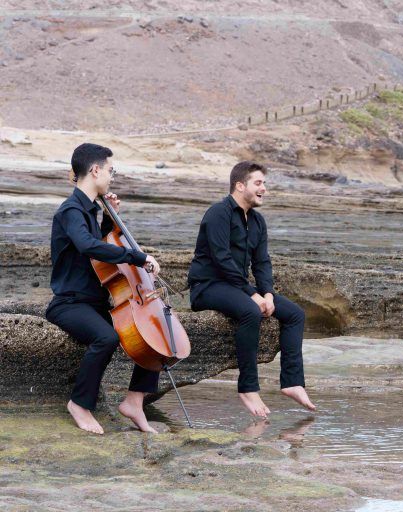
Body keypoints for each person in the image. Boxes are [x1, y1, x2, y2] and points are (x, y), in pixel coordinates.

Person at [46, 143, 162, 435]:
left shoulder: (90, 211)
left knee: (152, 333)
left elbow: (101, 243)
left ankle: (134, 401)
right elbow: (89, 247)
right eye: (111, 170)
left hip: (96, 303)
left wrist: (110, 219)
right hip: (69, 304)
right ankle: (79, 404)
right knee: (106, 337)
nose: (112, 177)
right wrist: (139, 256)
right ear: (95, 170)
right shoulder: (71, 211)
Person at [188, 161, 315, 418]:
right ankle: (247, 388)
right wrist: (252, 294)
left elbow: (262, 262)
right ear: (240, 185)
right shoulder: (218, 213)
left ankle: (292, 382)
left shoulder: (257, 221)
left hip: (235, 286)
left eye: (264, 184)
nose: (264, 189)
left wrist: (267, 293)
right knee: (251, 311)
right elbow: (222, 260)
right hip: (207, 286)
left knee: (294, 314)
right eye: (258, 183)